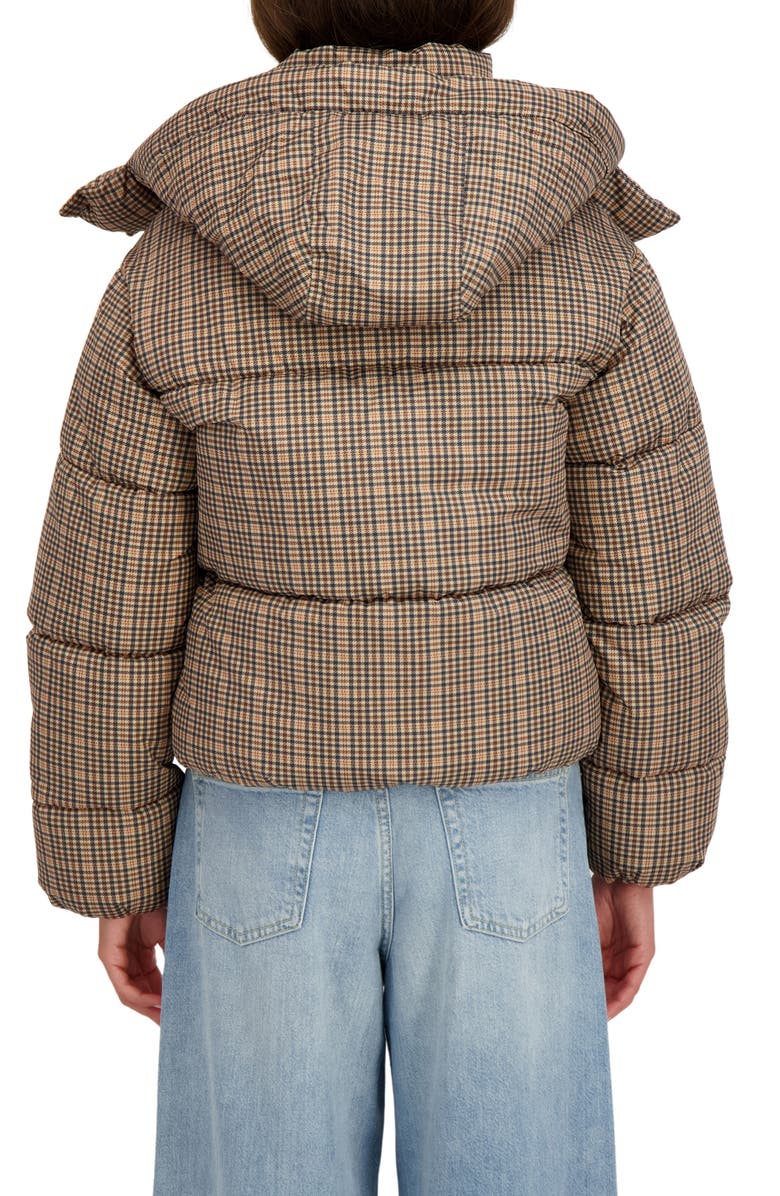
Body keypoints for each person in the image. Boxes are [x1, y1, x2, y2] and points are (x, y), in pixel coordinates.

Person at [25, 1, 733, 1192]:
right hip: (513, 804)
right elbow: (657, 585)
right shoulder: (585, 250)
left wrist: (121, 868)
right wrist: (637, 850)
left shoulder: (174, 260)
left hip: (258, 809)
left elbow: (105, 611)